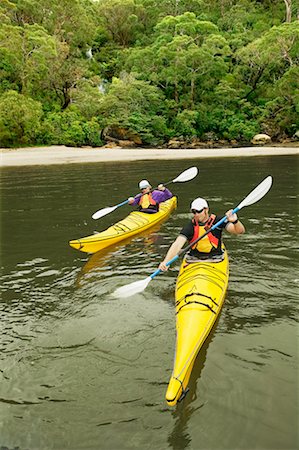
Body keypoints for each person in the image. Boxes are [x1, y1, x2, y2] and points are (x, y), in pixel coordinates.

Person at [159, 196, 245, 270]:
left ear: (206, 210)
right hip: (194, 260)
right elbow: (177, 244)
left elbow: (239, 231)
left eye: (198, 211)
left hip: (215, 259)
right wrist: (166, 261)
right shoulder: (190, 226)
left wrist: (235, 221)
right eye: (193, 212)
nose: (196, 214)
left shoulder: (218, 221)